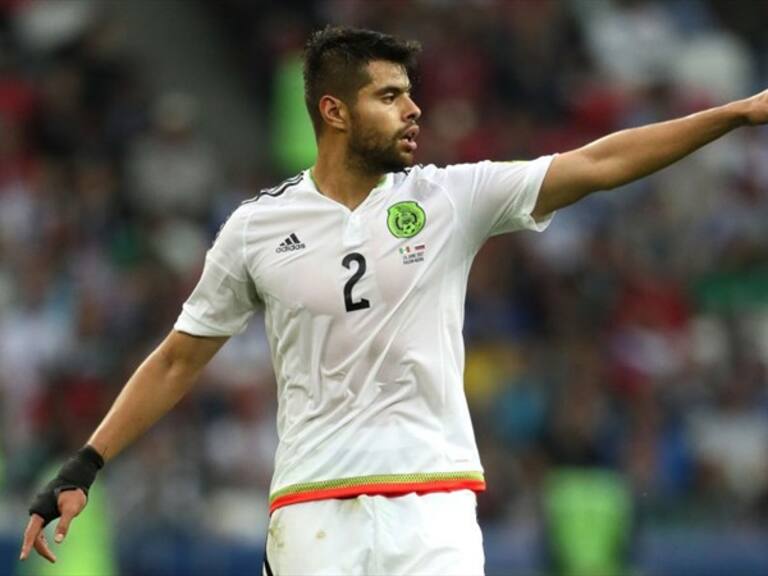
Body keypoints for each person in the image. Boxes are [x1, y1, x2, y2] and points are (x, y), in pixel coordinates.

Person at [19, 25, 768, 575]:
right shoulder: (256, 228)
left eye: (411, 94)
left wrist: (734, 115)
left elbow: (598, 162)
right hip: (314, 512)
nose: (414, 110)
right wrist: (85, 464)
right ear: (334, 112)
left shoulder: (451, 197)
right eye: (390, 96)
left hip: (433, 505)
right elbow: (180, 358)